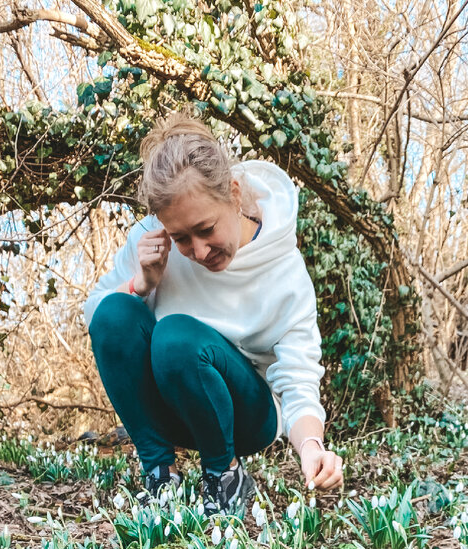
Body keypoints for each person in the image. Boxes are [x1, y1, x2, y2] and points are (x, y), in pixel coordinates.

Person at [84, 112, 344, 516]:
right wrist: (141, 283)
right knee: (116, 310)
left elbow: (298, 377)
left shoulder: (284, 270)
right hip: (172, 405)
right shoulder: (152, 243)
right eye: (181, 238)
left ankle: (225, 474)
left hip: (246, 417)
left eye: (206, 229)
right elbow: (99, 320)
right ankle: (160, 475)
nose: (200, 251)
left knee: (176, 338)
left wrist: (312, 447)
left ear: (234, 195)